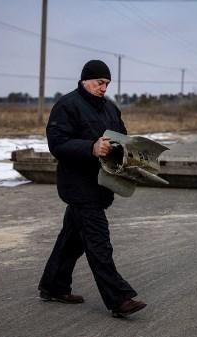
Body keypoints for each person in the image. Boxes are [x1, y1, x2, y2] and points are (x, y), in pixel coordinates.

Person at [38, 60, 147, 318]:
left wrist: (130, 152)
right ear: (85, 80)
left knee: (72, 240)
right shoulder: (67, 105)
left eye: (107, 83)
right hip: (79, 187)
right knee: (99, 243)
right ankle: (119, 299)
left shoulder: (110, 108)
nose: (104, 87)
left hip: (102, 184)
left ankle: (53, 285)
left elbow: (122, 135)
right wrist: (91, 148)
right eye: (100, 82)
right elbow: (57, 143)